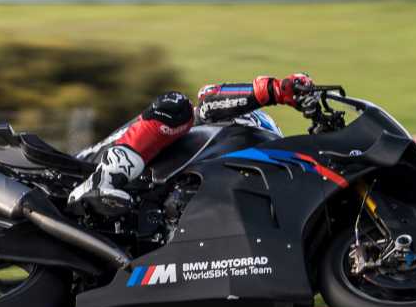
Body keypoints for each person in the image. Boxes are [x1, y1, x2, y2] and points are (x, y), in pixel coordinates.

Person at [67, 72, 313, 222]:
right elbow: (207, 100)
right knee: (176, 107)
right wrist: (274, 91)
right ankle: (103, 179)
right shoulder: (233, 123)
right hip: (82, 169)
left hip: (133, 206)